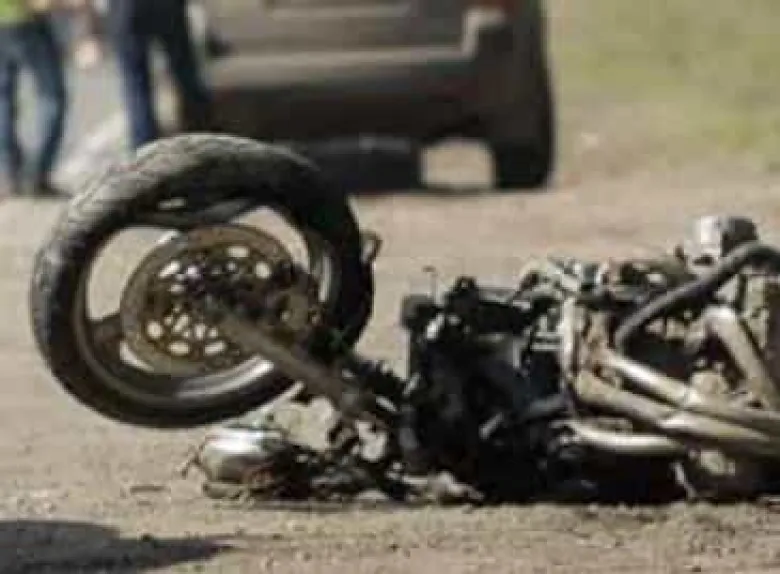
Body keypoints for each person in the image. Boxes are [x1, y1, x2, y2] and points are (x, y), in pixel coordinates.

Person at [80, 0, 213, 150]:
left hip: (126, 9)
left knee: (137, 87)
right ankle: (204, 137)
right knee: (184, 72)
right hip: (165, 7)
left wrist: (90, 33)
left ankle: (145, 149)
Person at [0, 0, 69, 197]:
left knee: (3, 100)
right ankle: (36, 174)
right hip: (25, 19)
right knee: (53, 97)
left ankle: (13, 174)